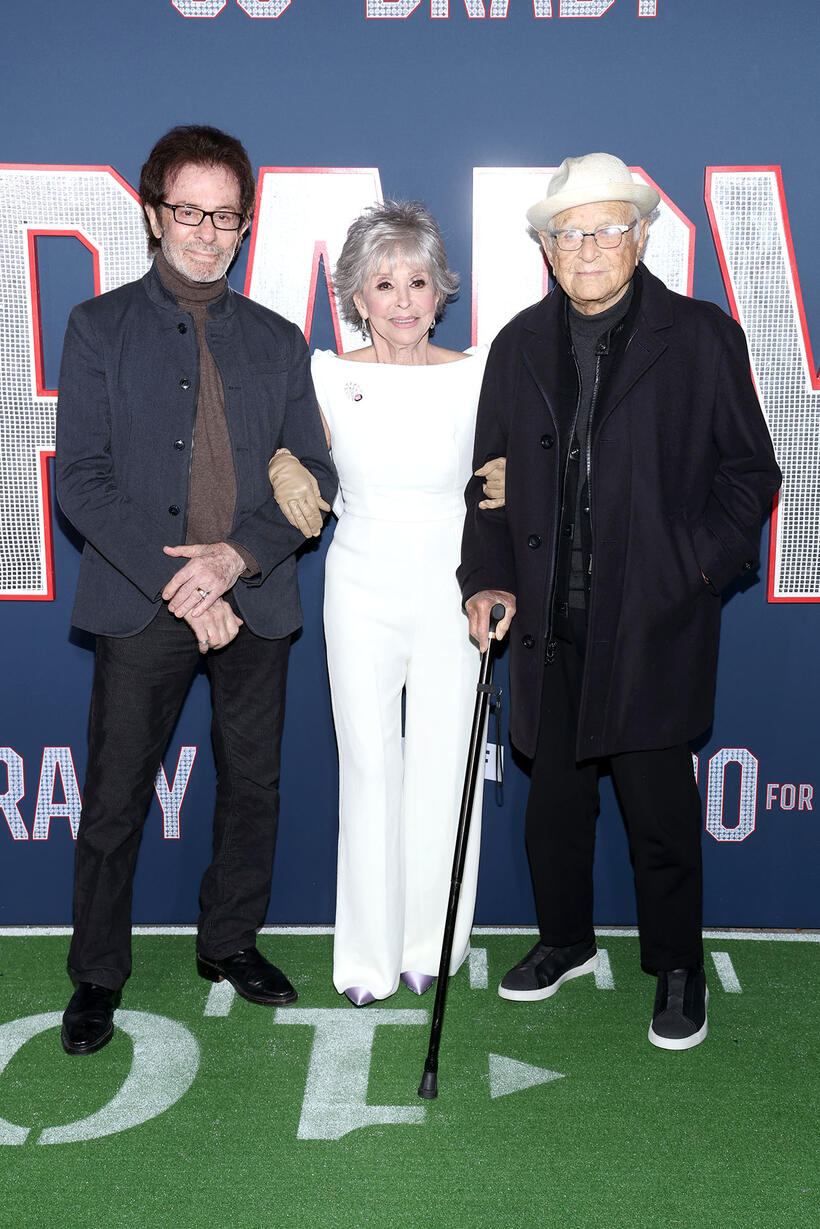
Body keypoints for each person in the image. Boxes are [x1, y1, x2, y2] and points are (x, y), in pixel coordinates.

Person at [459, 153, 781, 1050]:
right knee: (553, 808)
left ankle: (676, 968)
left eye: (609, 228)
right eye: (571, 232)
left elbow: (751, 472)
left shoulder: (702, 335)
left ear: (641, 237)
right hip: (547, 626)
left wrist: (693, 569)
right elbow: (488, 488)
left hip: (653, 625)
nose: (590, 247)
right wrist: (485, 579)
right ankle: (563, 940)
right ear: (547, 249)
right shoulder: (519, 344)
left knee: (661, 818)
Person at [55, 125, 335, 1055]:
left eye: (225, 216)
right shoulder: (98, 328)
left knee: (253, 785)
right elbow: (82, 482)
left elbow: (318, 477)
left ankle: (230, 943)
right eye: (189, 211)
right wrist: (187, 578)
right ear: (152, 212)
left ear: (245, 225)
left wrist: (232, 562)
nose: (207, 232)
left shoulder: (280, 340)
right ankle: (96, 972)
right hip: (144, 599)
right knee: (115, 795)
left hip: (255, 598)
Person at [269, 201, 504, 1004]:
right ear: (356, 297)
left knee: (444, 769)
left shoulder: (478, 371)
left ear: (441, 291)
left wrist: (515, 485)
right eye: (384, 283)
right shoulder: (328, 373)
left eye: (418, 281)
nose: (403, 299)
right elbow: (288, 446)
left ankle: (429, 945)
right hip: (361, 580)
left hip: (454, 581)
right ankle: (366, 959)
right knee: (370, 768)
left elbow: (517, 463)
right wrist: (280, 465)